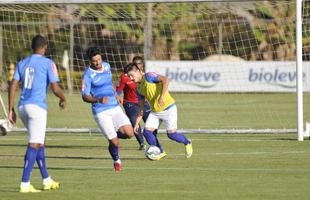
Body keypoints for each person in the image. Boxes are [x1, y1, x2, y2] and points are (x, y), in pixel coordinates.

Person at [8, 35, 67, 193]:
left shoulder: (22, 62)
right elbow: (55, 88)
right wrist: (63, 98)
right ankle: (25, 183)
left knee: (39, 142)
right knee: (34, 143)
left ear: (32, 46)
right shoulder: (48, 63)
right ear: (45, 46)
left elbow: (13, 85)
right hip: (37, 107)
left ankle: (46, 180)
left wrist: (11, 109)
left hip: (22, 107)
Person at [81, 47, 134, 172]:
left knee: (130, 133)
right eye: (94, 61)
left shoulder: (107, 66)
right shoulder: (88, 75)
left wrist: (117, 95)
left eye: (99, 59)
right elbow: (84, 96)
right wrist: (98, 100)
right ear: (90, 61)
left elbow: (110, 84)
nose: (98, 62)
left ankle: (112, 135)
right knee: (115, 143)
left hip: (114, 107)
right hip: (101, 111)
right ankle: (116, 160)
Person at [126, 64, 193, 160]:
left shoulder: (149, 76)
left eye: (131, 75)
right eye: (129, 77)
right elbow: (141, 107)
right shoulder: (138, 89)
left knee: (171, 135)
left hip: (168, 108)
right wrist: (137, 123)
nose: (131, 78)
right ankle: (160, 151)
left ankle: (187, 142)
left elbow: (165, 80)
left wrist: (162, 96)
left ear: (138, 71)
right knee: (147, 132)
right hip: (155, 112)